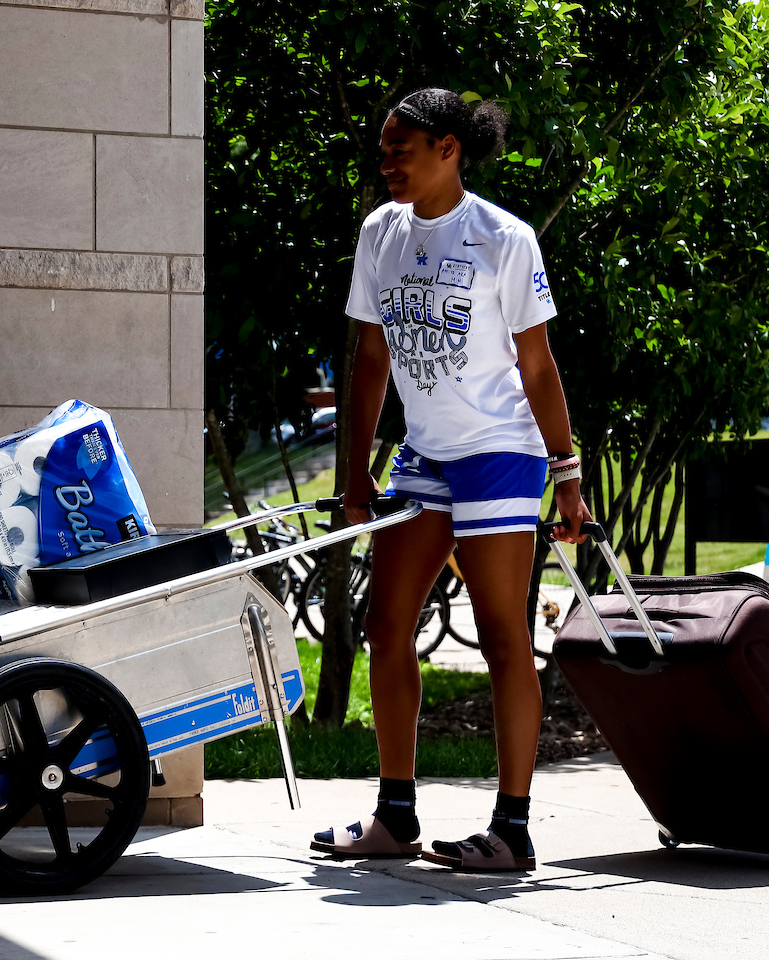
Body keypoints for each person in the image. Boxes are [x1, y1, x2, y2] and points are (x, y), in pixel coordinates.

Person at [310, 88, 591, 871]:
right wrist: (357, 477)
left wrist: (566, 474)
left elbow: (537, 364)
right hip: (425, 454)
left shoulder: (505, 239)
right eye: (383, 148)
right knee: (385, 627)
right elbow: (370, 361)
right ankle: (394, 818)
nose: (388, 160)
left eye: (403, 147)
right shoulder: (381, 233)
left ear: (449, 149)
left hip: (501, 451)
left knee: (504, 636)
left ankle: (513, 830)